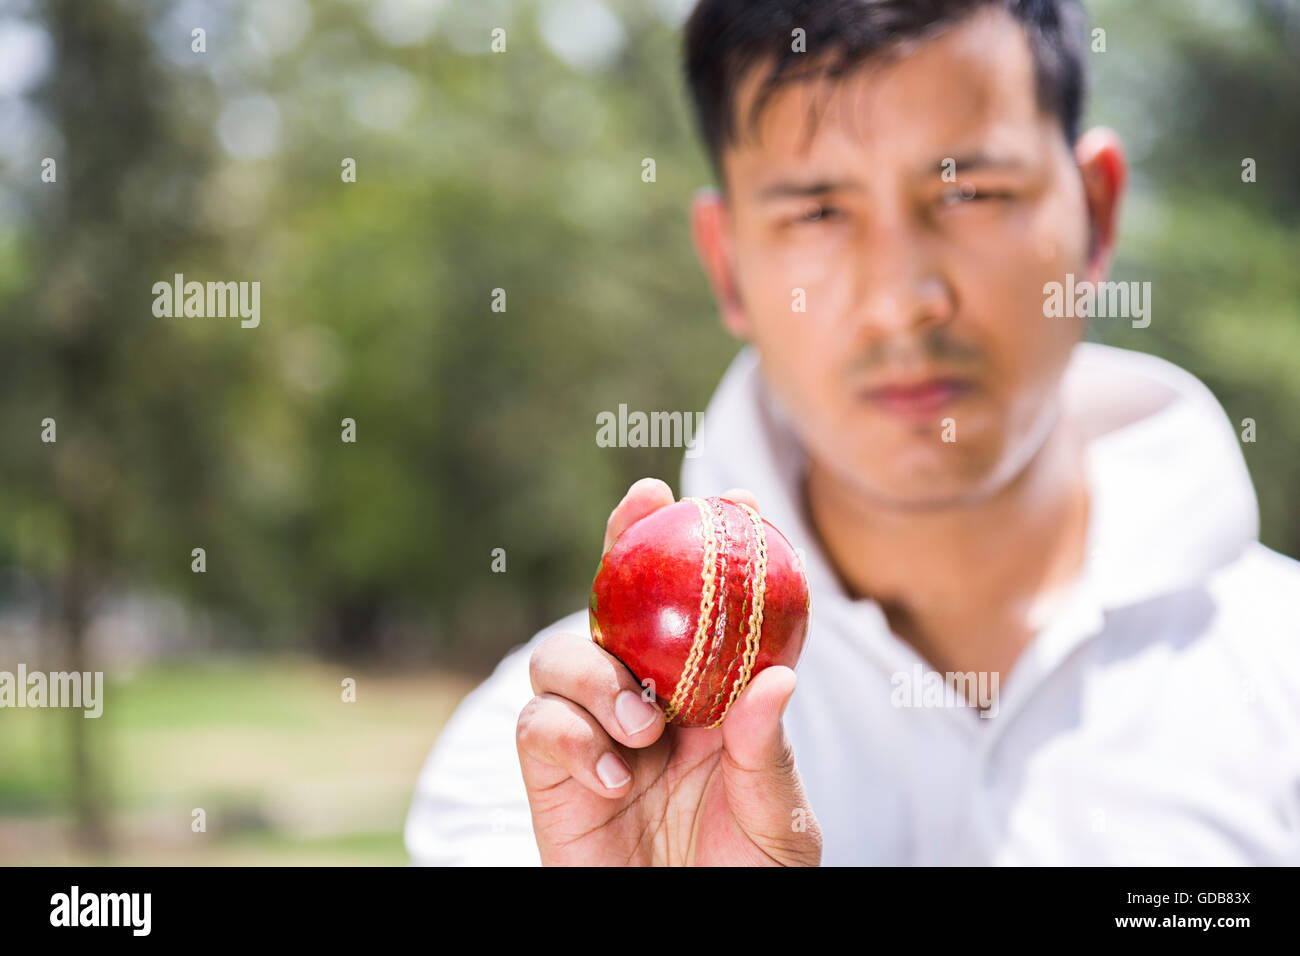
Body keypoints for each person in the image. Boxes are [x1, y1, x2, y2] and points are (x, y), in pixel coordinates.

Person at [405, 0, 1300, 865]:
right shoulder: (558, 770)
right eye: (818, 212)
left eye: (972, 191)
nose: (900, 302)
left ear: (1097, 212)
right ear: (727, 264)